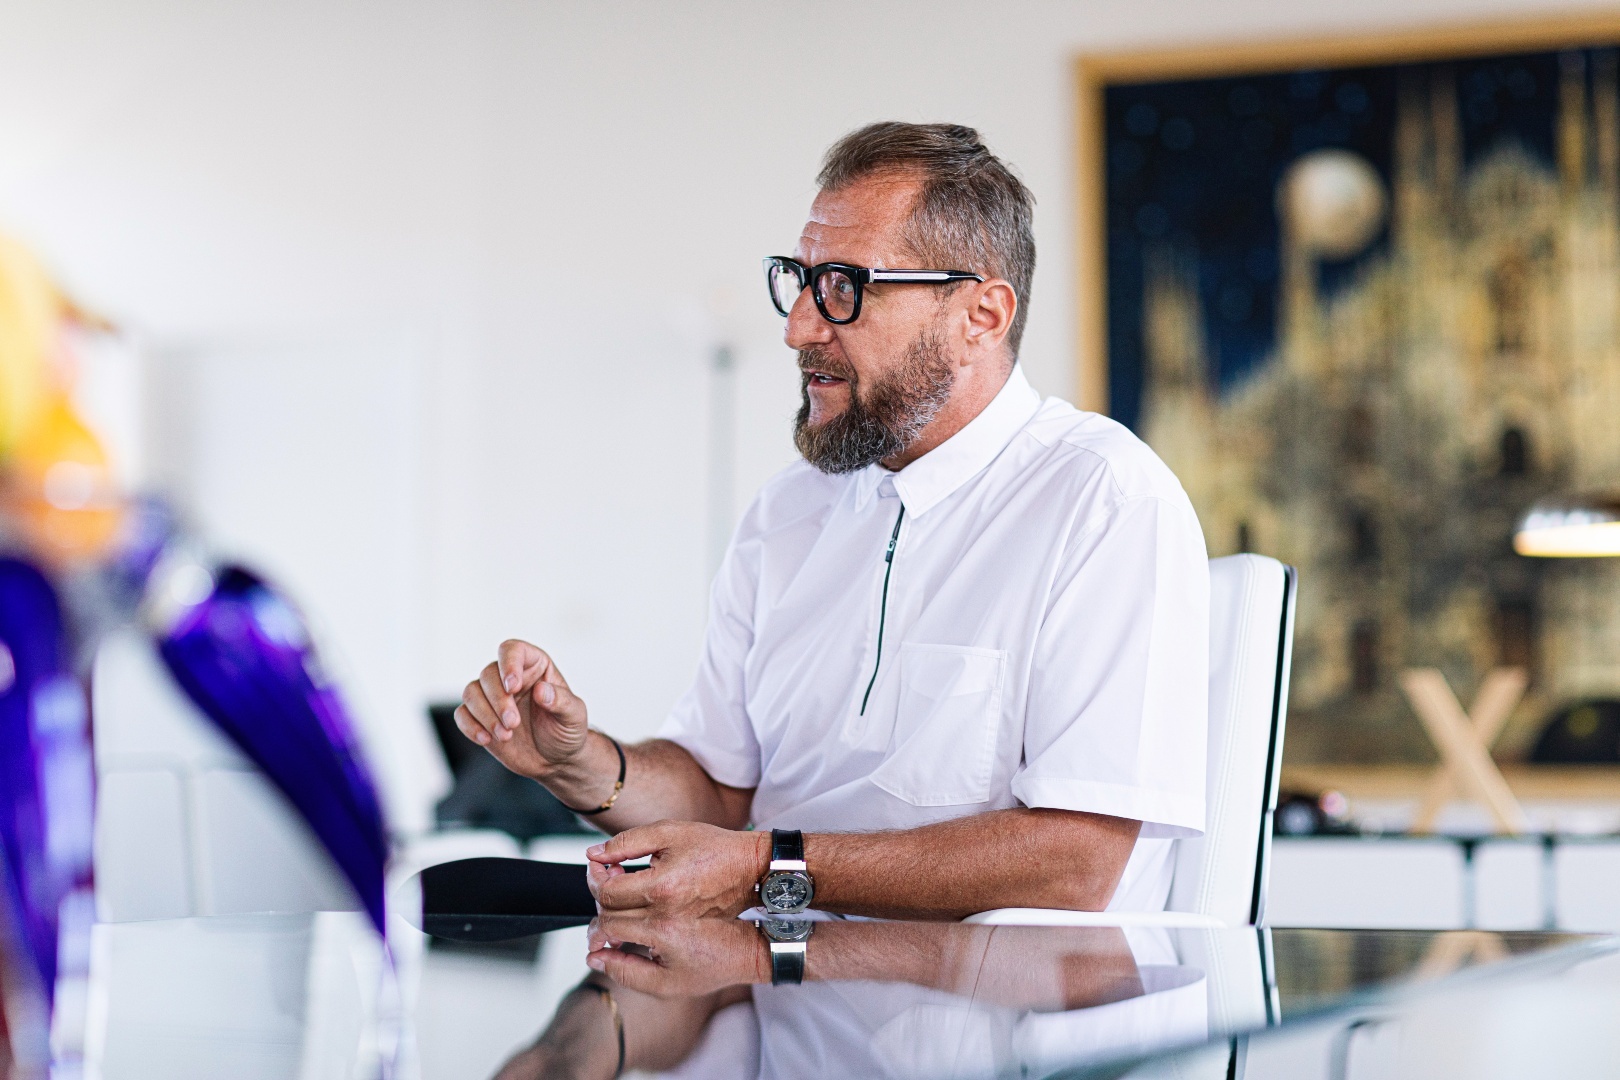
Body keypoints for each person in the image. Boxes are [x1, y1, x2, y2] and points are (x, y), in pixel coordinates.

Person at [456, 121, 1209, 922]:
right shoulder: (788, 513)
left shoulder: (1104, 498)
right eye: (800, 279)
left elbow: (1076, 862)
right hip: (780, 1013)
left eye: (846, 286)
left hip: (1006, 1031)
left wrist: (763, 865)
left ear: (981, 316)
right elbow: (714, 789)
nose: (799, 328)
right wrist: (579, 764)